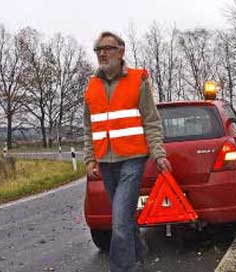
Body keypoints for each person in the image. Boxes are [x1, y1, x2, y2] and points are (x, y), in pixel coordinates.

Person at [83, 31, 172, 272]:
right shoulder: (91, 87)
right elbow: (89, 128)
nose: (102, 53)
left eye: (107, 48)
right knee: (125, 217)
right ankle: (139, 254)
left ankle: (124, 268)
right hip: (105, 161)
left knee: (119, 221)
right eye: (98, 49)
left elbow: (151, 121)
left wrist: (158, 153)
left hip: (132, 159)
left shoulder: (137, 80)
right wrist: (90, 158)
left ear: (121, 51)